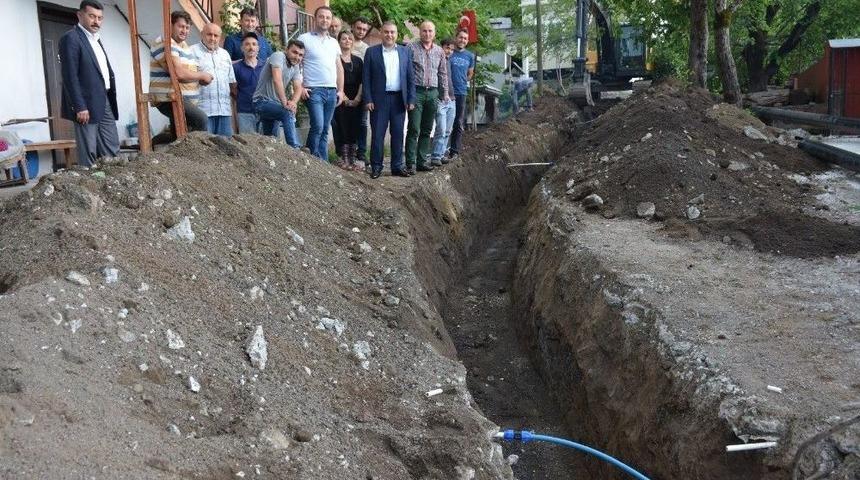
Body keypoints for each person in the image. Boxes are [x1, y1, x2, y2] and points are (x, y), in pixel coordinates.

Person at [59, 0, 119, 166]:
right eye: (92, 16)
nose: (96, 21)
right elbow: (70, 76)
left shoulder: (96, 39)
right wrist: (79, 106)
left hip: (104, 99)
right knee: (89, 150)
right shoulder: (71, 38)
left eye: (100, 18)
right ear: (80, 15)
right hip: (85, 103)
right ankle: (90, 184)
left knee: (111, 145)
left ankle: (113, 182)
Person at [362, 21, 415, 179]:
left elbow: (410, 78)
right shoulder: (371, 52)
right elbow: (366, 78)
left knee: (398, 134)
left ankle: (397, 166)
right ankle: (376, 166)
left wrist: (411, 98)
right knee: (378, 134)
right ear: (381, 33)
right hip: (379, 99)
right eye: (386, 32)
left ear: (397, 34)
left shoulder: (405, 52)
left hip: (399, 99)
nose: (389, 35)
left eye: (392, 32)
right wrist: (368, 98)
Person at [150, 11, 212, 142]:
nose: (184, 30)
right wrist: (201, 75)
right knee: (201, 120)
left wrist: (200, 79)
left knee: (178, 137)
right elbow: (179, 73)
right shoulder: (166, 42)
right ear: (171, 26)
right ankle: (197, 158)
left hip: (181, 99)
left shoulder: (183, 45)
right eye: (181, 26)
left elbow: (189, 73)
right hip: (169, 98)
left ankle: (156, 144)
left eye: (187, 27)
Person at [297, 6, 345, 161]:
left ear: (331, 21)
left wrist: (341, 90)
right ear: (315, 18)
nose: (325, 20)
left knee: (325, 129)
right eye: (321, 17)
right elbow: (297, 63)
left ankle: (323, 164)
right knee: (317, 126)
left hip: (332, 91)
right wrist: (300, 87)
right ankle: (310, 159)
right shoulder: (304, 39)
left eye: (328, 17)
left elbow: (339, 68)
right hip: (314, 90)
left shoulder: (334, 43)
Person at [405, 21, 448, 173]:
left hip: (433, 93)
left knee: (427, 129)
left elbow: (442, 74)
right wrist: (408, 95)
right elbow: (406, 72)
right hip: (416, 92)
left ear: (434, 33)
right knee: (414, 128)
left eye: (430, 31)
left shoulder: (439, 51)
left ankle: (422, 161)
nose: (427, 34)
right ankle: (410, 163)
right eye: (424, 31)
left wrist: (445, 94)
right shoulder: (410, 48)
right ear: (419, 32)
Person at [252, 40, 305, 147]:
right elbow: (277, 79)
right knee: (287, 112)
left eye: (300, 55)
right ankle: (295, 148)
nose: (297, 57)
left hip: (275, 104)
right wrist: (286, 103)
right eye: (294, 52)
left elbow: (298, 87)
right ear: (286, 50)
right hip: (261, 101)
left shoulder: (295, 67)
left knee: (272, 141)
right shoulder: (278, 56)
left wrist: (293, 102)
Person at [192, 23, 236, 136]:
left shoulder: (225, 54)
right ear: (202, 34)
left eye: (216, 36)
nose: (212, 38)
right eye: (209, 34)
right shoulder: (192, 52)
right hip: (202, 111)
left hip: (224, 111)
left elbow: (231, 83)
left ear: (220, 37)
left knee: (226, 149)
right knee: (205, 149)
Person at [332, 31, 364, 171]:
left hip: (357, 98)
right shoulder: (335, 58)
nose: (347, 41)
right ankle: (344, 158)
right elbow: (334, 77)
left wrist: (357, 98)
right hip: (341, 98)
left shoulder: (358, 60)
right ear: (339, 41)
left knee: (355, 127)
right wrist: (342, 95)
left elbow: (363, 81)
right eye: (343, 38)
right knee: (342, 126)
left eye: (349, 39)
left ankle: (353, 158)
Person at [448, 29, 475, 160]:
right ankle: (441, 151)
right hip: (447, 92)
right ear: (456, 38)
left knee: (458, 122)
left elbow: (470, 73)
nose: (462, 40)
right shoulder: (449, 53)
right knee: (445, 122)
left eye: (465, 38)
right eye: (460, 37)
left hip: (461, 92)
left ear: (467, 41)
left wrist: (464, 80)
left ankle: (454, 151)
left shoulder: (470, 56)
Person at [430, 38, 456, 166]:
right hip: (440, 99)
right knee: (441, 128)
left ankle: (441, 154)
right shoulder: (436, 59)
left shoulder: (449, 61)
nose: (449, 51)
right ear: (441, 47)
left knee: (448, 130)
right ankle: (435, 156)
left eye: (452, 49)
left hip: (452, 99)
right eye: (447, 48)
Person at [232, 32, 264, 134]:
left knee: (268, 145)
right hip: (244, 111)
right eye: (247, 44)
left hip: (265, 112)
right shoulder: (236, 68)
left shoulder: (266, 67)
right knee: (248, 146)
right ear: (242, 48)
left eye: (254, 44)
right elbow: (233, 88)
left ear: (258, 48)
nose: (251, 47)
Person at [351, 16, 372, 168]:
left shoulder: (367, 49)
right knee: (346, 122)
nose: (361, 31)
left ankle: (362, 152)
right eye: (359, 28)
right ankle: (347, 152)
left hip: (362, 89)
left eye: (364, 29)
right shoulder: (344, 43)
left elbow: (367, 74)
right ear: (353, 27)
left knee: (363, 122)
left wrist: (361, 94)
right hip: (345, 88)